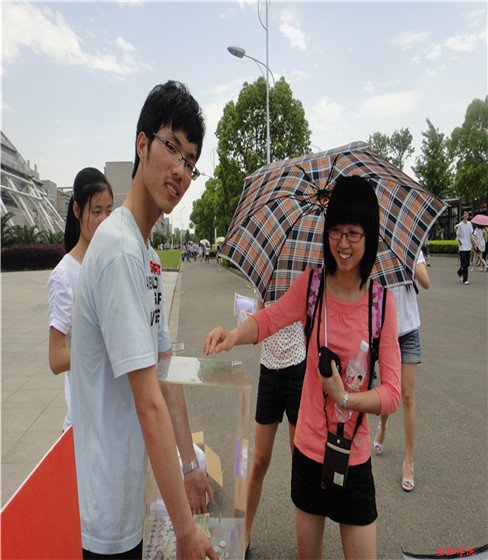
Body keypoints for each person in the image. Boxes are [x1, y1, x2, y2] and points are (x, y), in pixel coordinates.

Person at [204, 175, 401, 559]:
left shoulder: (381, 305)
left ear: (371, 235)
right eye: (336, 231)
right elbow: (270, 319)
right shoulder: (312, 287)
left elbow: (392, 393)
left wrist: (346, 398)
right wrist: (233, 334)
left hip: (354, 458)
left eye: (354, 234)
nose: (343, 244)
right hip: (309, 456)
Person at [70, 81, 216, 560]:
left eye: (190, 161)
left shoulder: (146, 252)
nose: (180, 170)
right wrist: (187, 532)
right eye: (172, 147)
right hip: (109, 502)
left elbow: (165, 371)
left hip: (135, 488)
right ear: (142, 144)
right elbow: (148, 402)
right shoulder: (118, 250)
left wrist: (191, 465)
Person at [47, 168, 113, 432]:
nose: (104, 220)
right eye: (96, 212)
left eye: (108, 211)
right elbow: (56, 358)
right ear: (77, 210)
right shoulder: (65, 275)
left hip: (113, 413)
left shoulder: (110, 264)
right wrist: (106, 348)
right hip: (84, 422)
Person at [244, 302, 306, 557]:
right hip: (268, 373)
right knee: (259, 461)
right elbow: (260, 320)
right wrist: (244, 325)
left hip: (297, 371)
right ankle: (244, 532)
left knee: (300, 462)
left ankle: (307, 542)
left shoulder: (304, 281)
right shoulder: (267, 282)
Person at [373, 251, 430, 492]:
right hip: (384, 331)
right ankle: (383, 424)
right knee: (389, 390)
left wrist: (406, 257)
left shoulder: (411, 248)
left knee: (407, 395)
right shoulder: (375, 250)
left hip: (408, 331)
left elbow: (425, 282)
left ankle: (408, 459)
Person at [456, 211, 473, 284]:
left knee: (468, 264)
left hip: (468, 246)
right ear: (462, 216)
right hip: (462, 247)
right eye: (465, 214)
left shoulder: (469, 224)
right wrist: (458, 241)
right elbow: (457, 235)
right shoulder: (460, 225)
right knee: (464, 264)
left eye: (467, 214)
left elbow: (471, 234)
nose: (466, 215)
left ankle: (460, 272)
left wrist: (474, 240)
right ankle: (465, 279)